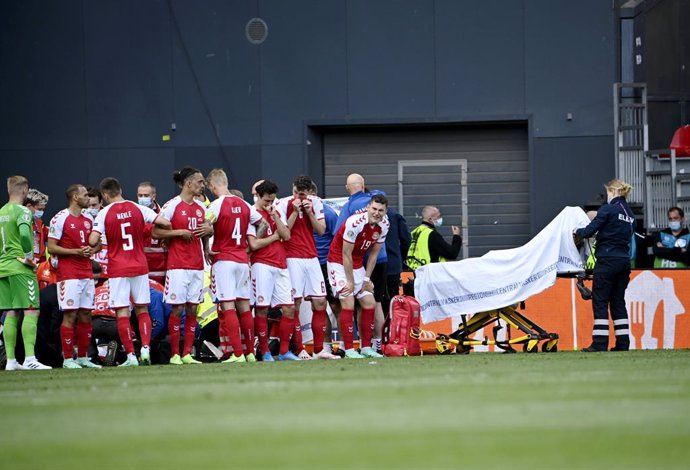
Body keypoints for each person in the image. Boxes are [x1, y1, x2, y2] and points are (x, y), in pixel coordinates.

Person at [88, 177, 172, 366]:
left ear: (104, 195)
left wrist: (104, 237)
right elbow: (165, 223)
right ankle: (145, 349)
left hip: (118, 268)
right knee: (142, 309)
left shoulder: (104, 213)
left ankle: (131, 357)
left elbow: (93, 241)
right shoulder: (138, 208)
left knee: (122, 312)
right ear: (120, 190)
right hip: (140, 265)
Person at [206, 169, 266, 364]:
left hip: (224, 260)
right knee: (245, 307)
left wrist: (206, 247)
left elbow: (205, 226)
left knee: (228, 306)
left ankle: (237, 354)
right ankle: (249, 352)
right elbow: (263, 223)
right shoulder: (245, 204)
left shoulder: (215, 205)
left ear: (213, 186)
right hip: (242, 260)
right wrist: (251, 245)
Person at [155, 168, 212, 365]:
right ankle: (174, 354)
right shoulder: (171, 206)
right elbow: (156, 233)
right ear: (189, 184)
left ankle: (187, 353)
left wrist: (207, 242)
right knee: (177, 309)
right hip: (177, 265)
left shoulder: (200, 208)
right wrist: (179, 232)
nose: (203, 185)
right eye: (200, 182)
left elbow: (206, 230)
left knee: (192, 309)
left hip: (197, 265)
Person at [248, 180, 307, 361]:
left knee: (289, 309)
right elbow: (253, 244)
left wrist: (274, 217)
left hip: (281, 265)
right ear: (258, 196)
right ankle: (265, 351)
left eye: (272, 200)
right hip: (262, 265)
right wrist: (274, 237)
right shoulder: (251, 214)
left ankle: (283, 352)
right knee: (262, 310)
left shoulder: (275, 210)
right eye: (266, 200)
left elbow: (287, 235)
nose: (269, 204)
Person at [574, 179, 634, 352]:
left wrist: (576, 232)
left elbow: (588, 231)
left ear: (613, 192)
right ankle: (623, 344)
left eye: (608, 193)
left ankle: (599, 343)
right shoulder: (629, 214)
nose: (607, 196)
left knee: (600, 302)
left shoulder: (608, 209)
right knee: (618, 302)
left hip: (607, 261)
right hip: (624, 262)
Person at [327, 194, 390, 359]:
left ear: (385, 211)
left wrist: (367, 279)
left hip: (357, 264)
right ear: (368, 207)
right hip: (338, 262)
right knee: (348, 300)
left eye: (380, 210)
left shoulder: (384, 225)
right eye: (374, 209)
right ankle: (348, 349)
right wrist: (350, 281)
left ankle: (366, 348)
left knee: (369, 303)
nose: (376, 213)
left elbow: (374, 255)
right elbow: (345, 253)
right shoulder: (355, 223)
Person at [47, 184, 101, 368]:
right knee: (70, 315)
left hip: (86, 272)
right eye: (85, 195)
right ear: (75, 197)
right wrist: (75, 252)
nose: (89, 198)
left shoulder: (88, 218)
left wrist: (91, 249)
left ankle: (84, 357)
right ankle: (68, 359)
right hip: (68, 274)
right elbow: (51, 247)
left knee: (86, 314)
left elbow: (99, 244)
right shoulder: (60, 218)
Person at [0, 176, 51, 370]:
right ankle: (30, 359)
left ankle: (11, 361)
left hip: (3, 267)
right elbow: (23, 234)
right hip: (21, 267)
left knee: (11, 311)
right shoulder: (22, 211)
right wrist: (29, 257)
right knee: (31, 310)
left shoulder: (1, 212)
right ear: (24, 190)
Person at [276, 175, 328, 360]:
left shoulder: (316, 202)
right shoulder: (283, 204)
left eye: (303, 195)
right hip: (292, 258)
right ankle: (299, 349)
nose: (300, 198)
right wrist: (294, 212)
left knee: (320, 302)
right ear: (293, 190)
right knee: (295, 304)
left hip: (312, 257)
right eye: (297, 193)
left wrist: (310, 213)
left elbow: (321, 230)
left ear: (309, 193)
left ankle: (320, 349)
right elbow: (284, 234)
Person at [311, 183, 341, 359]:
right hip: (311, 265)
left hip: (327, 265)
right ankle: (326, 347)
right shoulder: (300, 213)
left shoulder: (328, 213)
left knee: (336, 305)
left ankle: (345, 346)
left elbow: (337, 239)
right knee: (318, 307)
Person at [406, 206, 462, 270]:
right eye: (438, 217)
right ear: (430, 219)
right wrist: (456, 236)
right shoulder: (432, 235)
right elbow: (452, 254)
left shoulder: (413, 233)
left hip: (414, 273)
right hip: (430, 274)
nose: (440, 218)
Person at [138, 181, 167, 285]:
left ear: (153, 196)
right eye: (140, 195)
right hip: (140, 270)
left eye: (146, 195)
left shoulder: (163, 214)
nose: (142, 198)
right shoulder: (133, 213)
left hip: (160, 270)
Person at [384, 206, 411, 312]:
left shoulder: (364, 214)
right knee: (393, 301)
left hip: (372, 266)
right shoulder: (394, 214)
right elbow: (406, 240)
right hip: (393, 263)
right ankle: (392, 327)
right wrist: (400, 258)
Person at [25, 188, 50, 264]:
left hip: (39, 265)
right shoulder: (17, 221)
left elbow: (51, 234)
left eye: (43, 210)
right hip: (23, 262)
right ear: (29, 206)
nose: (41, 212)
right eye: (39, 209)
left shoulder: (39, 222)